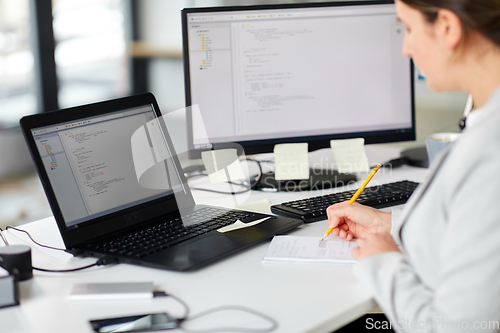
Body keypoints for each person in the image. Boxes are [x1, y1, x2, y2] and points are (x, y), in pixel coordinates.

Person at [326, 0, 500, 331]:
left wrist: (383, 263)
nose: (405, 48)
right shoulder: (487, 123)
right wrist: (391, 225)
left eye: (407, 28)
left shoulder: (490, 150)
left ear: (447, 27)